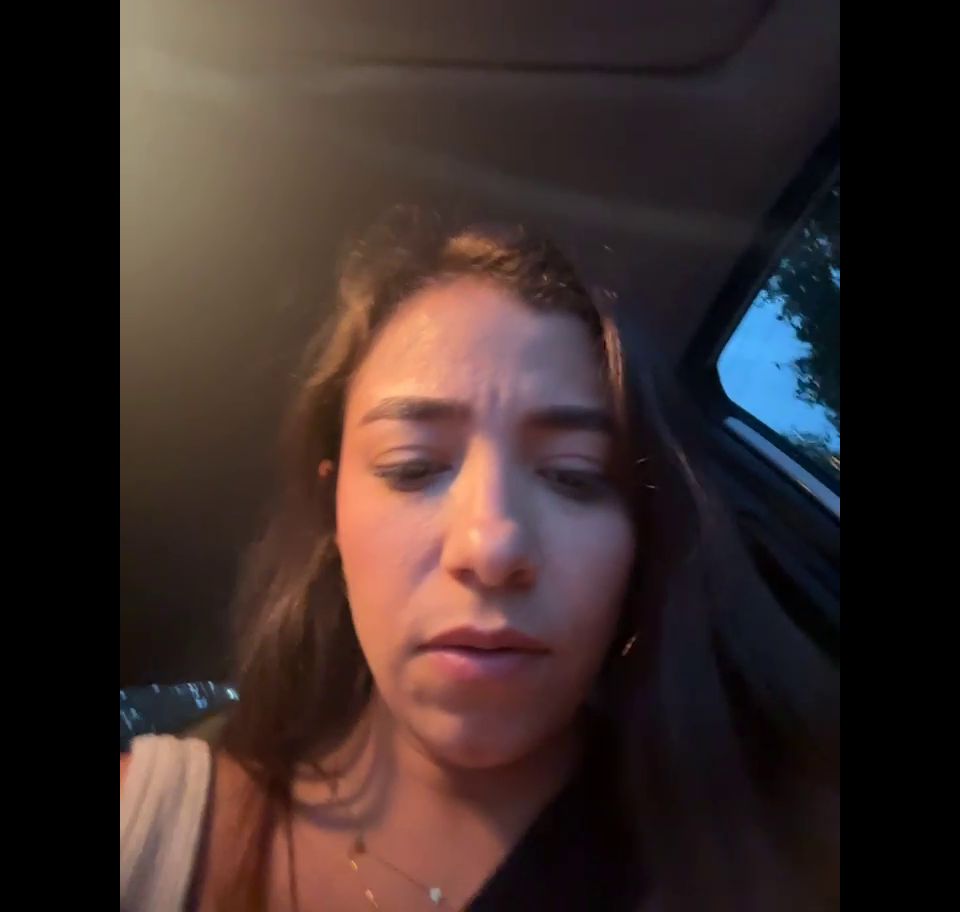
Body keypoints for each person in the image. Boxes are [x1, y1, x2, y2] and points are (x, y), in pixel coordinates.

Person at [120, 208, 839, 912]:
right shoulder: (147, 825)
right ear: (333, 510)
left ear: (640, 539)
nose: (491, 547)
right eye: (411, 467)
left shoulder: (770, 864)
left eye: (573, 475)